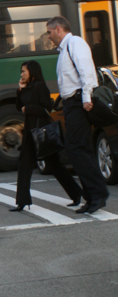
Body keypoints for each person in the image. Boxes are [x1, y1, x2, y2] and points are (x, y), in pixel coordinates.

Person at [46, 16, 109, 214]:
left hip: (79, 102)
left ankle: (98, 194)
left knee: (75, 148)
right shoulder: (65, 49)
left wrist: (86, 98)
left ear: (57, 29)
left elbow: (86, 71)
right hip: (72, 103)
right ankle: (92, 196)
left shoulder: (75, 43)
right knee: (81, 148)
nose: (48, 36)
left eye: (49, 32)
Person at [10, 60, 83, 212]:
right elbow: (19, 107)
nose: (21, 74)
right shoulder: (26, 88)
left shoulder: (39, 86)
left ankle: (76, 194)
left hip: (41, 131)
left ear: (32, 72)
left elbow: (46, 108)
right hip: (30, 132)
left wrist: (28, 108)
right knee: (24, 165)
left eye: (24, 71)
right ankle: (22, 202)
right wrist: (20, 90)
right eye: (21, 71)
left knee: (54, 165)